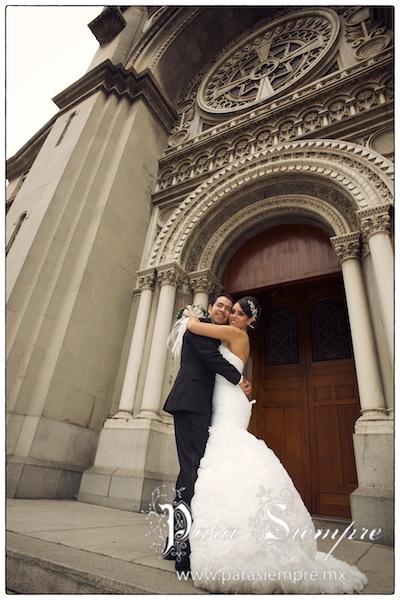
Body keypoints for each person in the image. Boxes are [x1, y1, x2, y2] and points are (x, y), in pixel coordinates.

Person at [183, 296, 367, 594]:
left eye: (240, 314)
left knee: (227, 450)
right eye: (233, 312)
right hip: (229, 398)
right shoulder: (237, 334)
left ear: (249, 321)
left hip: (229, 404)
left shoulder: (235, 334)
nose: (233, 317)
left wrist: (190, 315)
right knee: (232, 458)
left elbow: (194, 327)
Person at [163, 294, 252, 574]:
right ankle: (182, 551)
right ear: (211, 307)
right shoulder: (198, 326)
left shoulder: (219, 334)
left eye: (230, 309)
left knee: (187, 473)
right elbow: (212, 360)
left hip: (202, 407)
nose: (225, 311)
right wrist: (240, 379)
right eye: (222, 306)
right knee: (192, 473)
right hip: (191, 405)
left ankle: (173, 541)